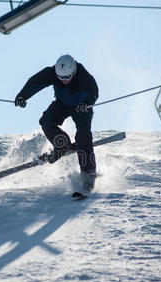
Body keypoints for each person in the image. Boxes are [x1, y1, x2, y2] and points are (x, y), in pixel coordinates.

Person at [14, 54, 99, 191]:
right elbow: (35, 83)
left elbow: (94, 91)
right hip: (62, 103)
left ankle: (88, 174)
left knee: (83, 136)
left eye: (67, 77)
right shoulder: (52, 72)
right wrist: (22, 96)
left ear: (73, 72)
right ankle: (62, 144)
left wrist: (87, 103)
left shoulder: (83, 75)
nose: (64, 80)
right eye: (61, 78)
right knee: (46, 121)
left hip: (81, 107)